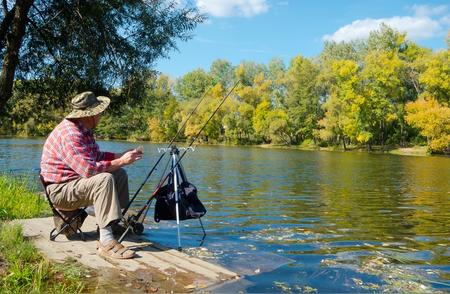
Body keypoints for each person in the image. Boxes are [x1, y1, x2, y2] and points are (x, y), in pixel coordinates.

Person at [40, 91, 143, 259]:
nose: (102, 115)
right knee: (104, 179)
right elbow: (89, 170)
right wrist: (122, 161)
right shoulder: (70, 134)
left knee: (120, 174)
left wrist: (121, 155)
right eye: (100, 112)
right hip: (59, 192)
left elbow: (97, 156)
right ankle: (106, 241)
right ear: (91, 114)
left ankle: (113, 224)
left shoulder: (83, 129)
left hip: (73, 184)